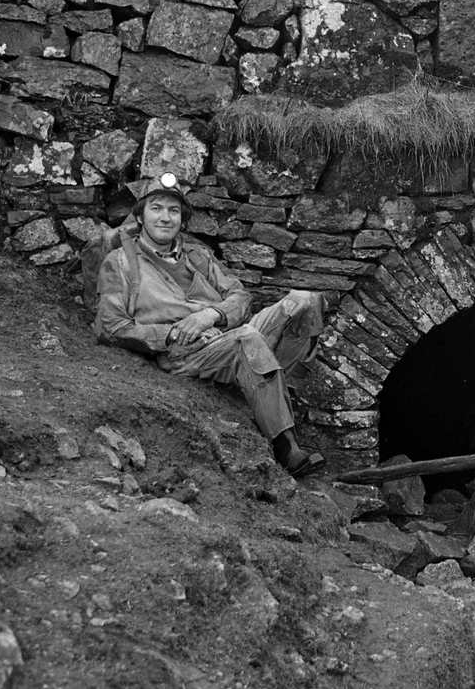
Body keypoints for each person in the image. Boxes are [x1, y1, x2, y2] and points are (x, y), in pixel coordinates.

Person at [93, 172, 328, 477]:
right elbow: (110, 326)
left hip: (225, 332)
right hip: (188, 352)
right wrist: (171, 333)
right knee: (247, 338)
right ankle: (286, 446)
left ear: (182, 219)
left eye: (173, 211)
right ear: (140, 216)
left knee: (305, 300)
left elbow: (240, 297)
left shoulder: (196, 254)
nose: (165, 218)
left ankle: (275, 390)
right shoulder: (120, 262)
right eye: (156, 208)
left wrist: (211, 315)